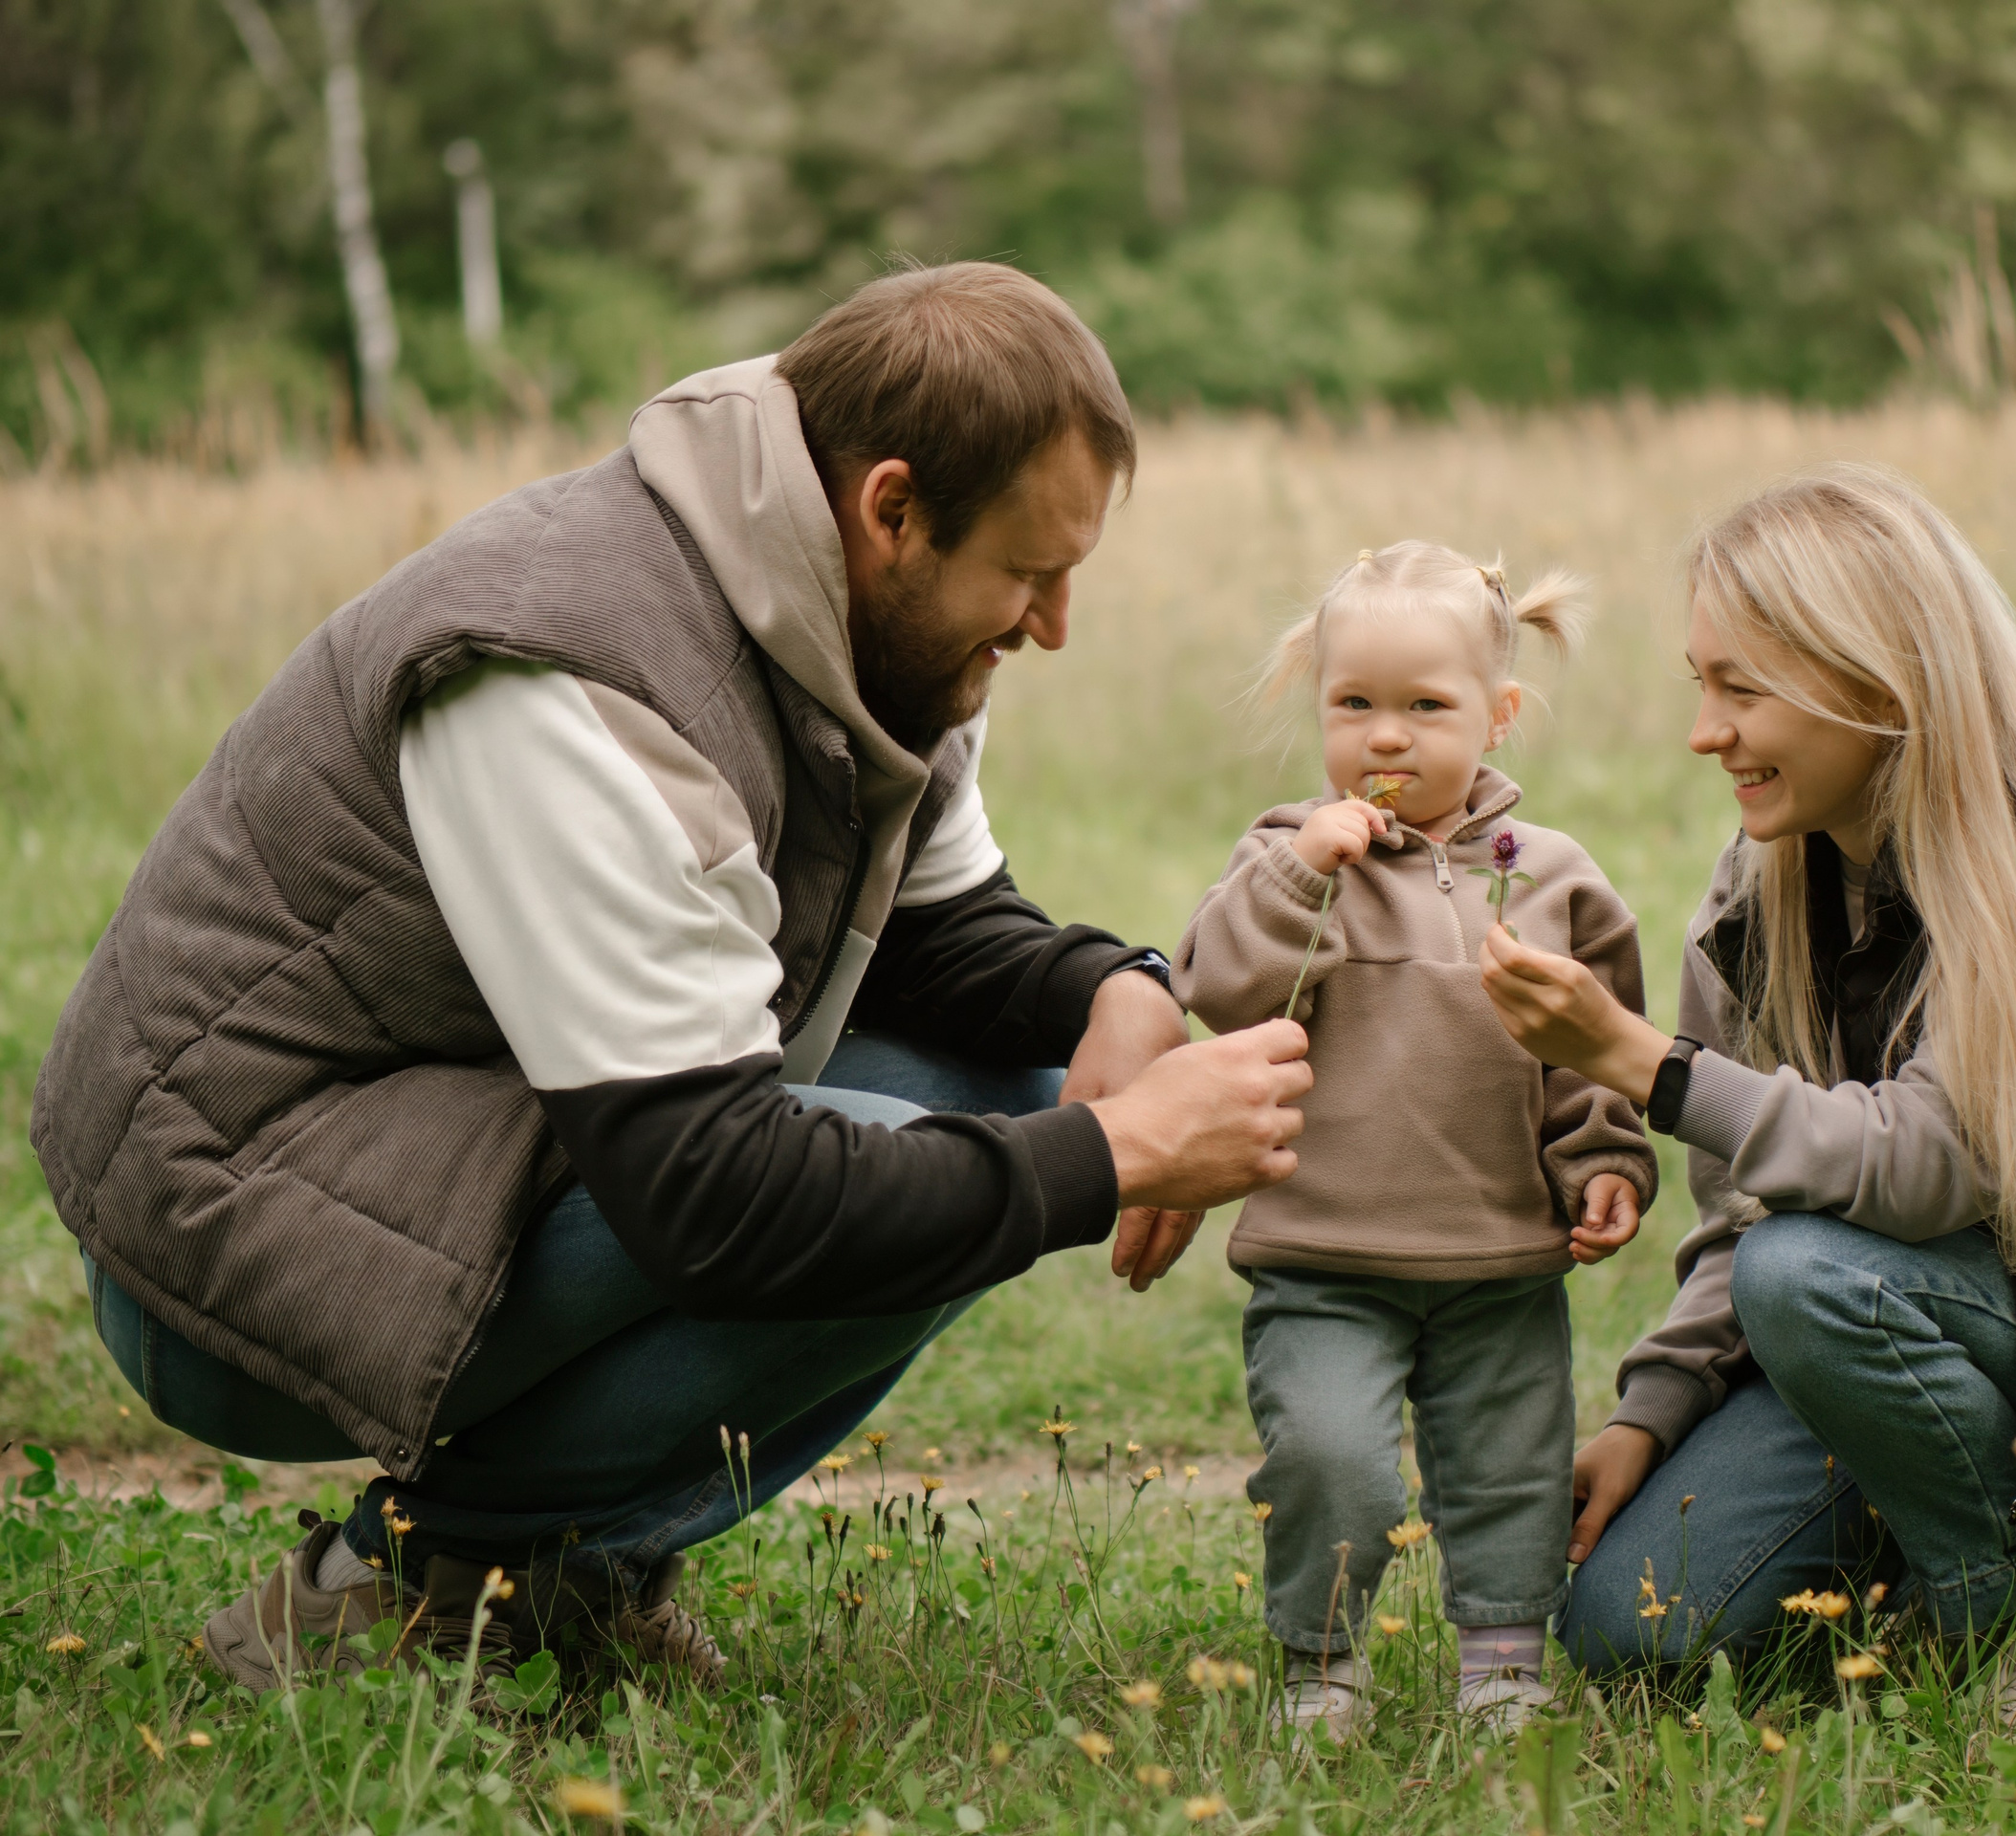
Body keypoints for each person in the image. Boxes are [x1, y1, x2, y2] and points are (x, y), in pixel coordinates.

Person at [31, 262, 1314, 1690]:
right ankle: (404, 1592)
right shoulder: (569, 682)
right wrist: (1113, 1156)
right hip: (229, 1239)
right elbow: (714, 1200)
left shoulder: (863, 620)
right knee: (931, 1174)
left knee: (1013, 1080)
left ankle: (557, 1574)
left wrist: (1115, 989)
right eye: (1029, 573)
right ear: (891, 508)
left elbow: (947, 938)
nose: (1052, 624)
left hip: (453, 1138)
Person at [1476, 466, 2016, 1688]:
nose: (1702, 732)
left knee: (1808, 1276)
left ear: (1873, 679)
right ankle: (1925, 1490)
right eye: (1700, 684)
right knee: (1635, 1633)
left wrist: (1637, 1061)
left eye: (1743, 689)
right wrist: (1654, 1411)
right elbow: (1746, 1205)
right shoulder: (1763, 887)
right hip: (1901, 1305)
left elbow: (1931, 1166)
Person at [1172, 543, 1660, 1738]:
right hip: (1323, 1255)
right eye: (1354, 705)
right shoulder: (1289, 857)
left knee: (1511, 1469)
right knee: (1331, 1462)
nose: (1385, 738)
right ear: (1319, 704)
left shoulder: (1549, 880)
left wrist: (1604, 1156)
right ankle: (1321, 1664)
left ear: (1496, 717)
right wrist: (1301, 873)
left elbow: (1596, 1048)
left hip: (1496, 1255)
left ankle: (1502, 1659)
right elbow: (1221, 990)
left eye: (1424, 708)